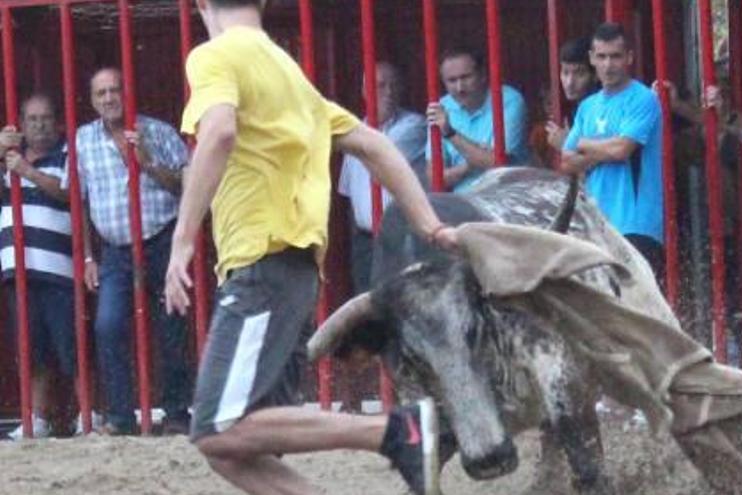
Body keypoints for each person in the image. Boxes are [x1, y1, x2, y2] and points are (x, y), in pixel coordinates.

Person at [164, 1, 457, 494]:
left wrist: (181, 241)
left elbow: (218, 132)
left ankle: (395, 429)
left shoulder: (214, 56)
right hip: (295, 271)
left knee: (216, 428)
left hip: (261, 262)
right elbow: (374, 144)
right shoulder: (290, 74)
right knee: (237, 448)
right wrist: (430, 225)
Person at [64, 67, 192, 436]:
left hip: (162, 241)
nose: (109, 99)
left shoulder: (158, 131)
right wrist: (87, 256)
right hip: (115, 251)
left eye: (115, 90)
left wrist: (148, 162)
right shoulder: (83, 140)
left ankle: (176, 413)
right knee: (108, 326)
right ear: (92, 100)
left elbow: (186, 186)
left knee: (171, 328)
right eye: (101, 93)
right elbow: (78, 202)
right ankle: (121, 417)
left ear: (127, 92)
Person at [0, 94, 79, 439]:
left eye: (46, 118)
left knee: (71, 345)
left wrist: (26, 171)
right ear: (21, 123)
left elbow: (68, 193)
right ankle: (38, 419)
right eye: (31, 119)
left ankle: (87, 413)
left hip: (59, 269)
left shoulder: (67, 156)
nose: (39, 125)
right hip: (17, 270)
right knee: (32, 349)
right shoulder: (7, 161)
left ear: (58, 122)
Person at [561, 22, 664, 278]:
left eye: (616, 56)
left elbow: (621, 150)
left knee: (637, 310)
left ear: (629, 57)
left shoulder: (643, 98)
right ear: (592, 59)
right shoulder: (588, 106)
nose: (608, 65)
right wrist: (602, 150)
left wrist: (585, 144)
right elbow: (566, 161)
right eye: (602, 57)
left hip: (636, 224)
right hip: (596, 224)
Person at [338, 61, 427, 295]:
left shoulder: (413, 126)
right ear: (365, 91)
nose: (389, 92)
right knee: (366, 303)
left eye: (394, 85)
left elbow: (379, 151)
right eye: (380, 86)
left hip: (401, 235)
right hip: (365, 239)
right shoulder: (354, 131)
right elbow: (349, 194)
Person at [425, 46, 528, 191]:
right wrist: (468, 166)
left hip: (506, 200)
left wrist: (450, 133)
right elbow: (434, 178)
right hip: (463, 205)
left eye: (466, 77)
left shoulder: (508, 100)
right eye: (452, 81)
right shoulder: (442, 107)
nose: (460, 87)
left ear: (483, 75)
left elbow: (498, 164)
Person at [544, 37, 598, 152]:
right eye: (565, 72)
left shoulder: (600, 109)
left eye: (579, 74)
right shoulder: (572, 109)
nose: (569, 82)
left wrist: (567, 145)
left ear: (595, 75)